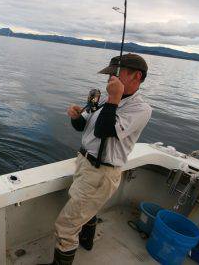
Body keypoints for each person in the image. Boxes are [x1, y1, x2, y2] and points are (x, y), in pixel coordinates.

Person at [42, 53, 152, 265]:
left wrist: (113, 99)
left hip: (101, 172)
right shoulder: (106, 100)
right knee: (86, 210)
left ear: (137, 76)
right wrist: (76, 116)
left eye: (116, 75)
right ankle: (87, 241)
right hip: (85, 163)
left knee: (66, 225)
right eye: (110, 75)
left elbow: (104, 130)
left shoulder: (140, 108)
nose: (110, 79)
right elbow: (84, 127)